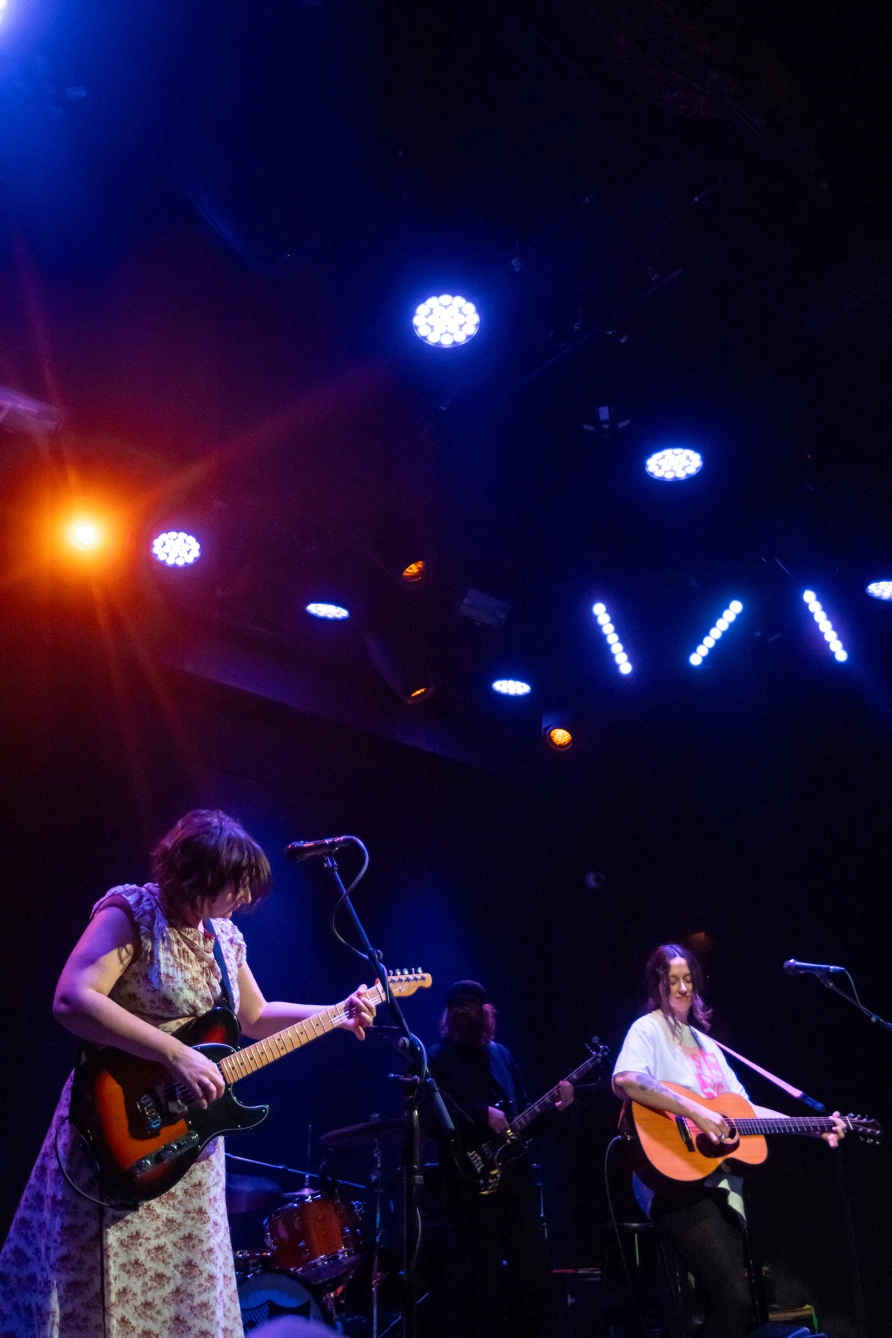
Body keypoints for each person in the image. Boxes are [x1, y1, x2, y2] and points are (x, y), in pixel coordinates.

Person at [0, 809, 376, 1338]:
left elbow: (255, 1017)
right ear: (196, 875)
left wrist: (337, 1012)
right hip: (117, 1135)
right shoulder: (133, 911)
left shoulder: (224, 938)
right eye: (234, 885)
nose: (243, 898)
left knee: (184, 1301)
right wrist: (173, 1054)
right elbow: (73, 997)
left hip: (189, 1156)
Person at [612, 943, 845, 1338]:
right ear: (658, 985)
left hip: (717, 1182)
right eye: (673, 980)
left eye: (688, 980)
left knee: (737, 1302)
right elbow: (627, 1079)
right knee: (734, 1299)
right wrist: (696, 1111)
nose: (683, 988)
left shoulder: (708, 1045)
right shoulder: (647, 1029)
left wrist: (811, 1126)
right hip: (672, 1179)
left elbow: (745, 1111)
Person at [427, 979, 574, 1338]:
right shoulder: (437, 1057)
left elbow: (521, 1120)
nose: (461, 1011)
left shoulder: (502, 1056)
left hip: (514, 1181)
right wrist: (482, 1114)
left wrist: (556, 1109)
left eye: (468, 1005)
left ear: (485, 1012)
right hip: (468, 1184)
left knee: (533, 1270)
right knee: (481, 1281)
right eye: (454, 1006)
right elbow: (432, 1116)